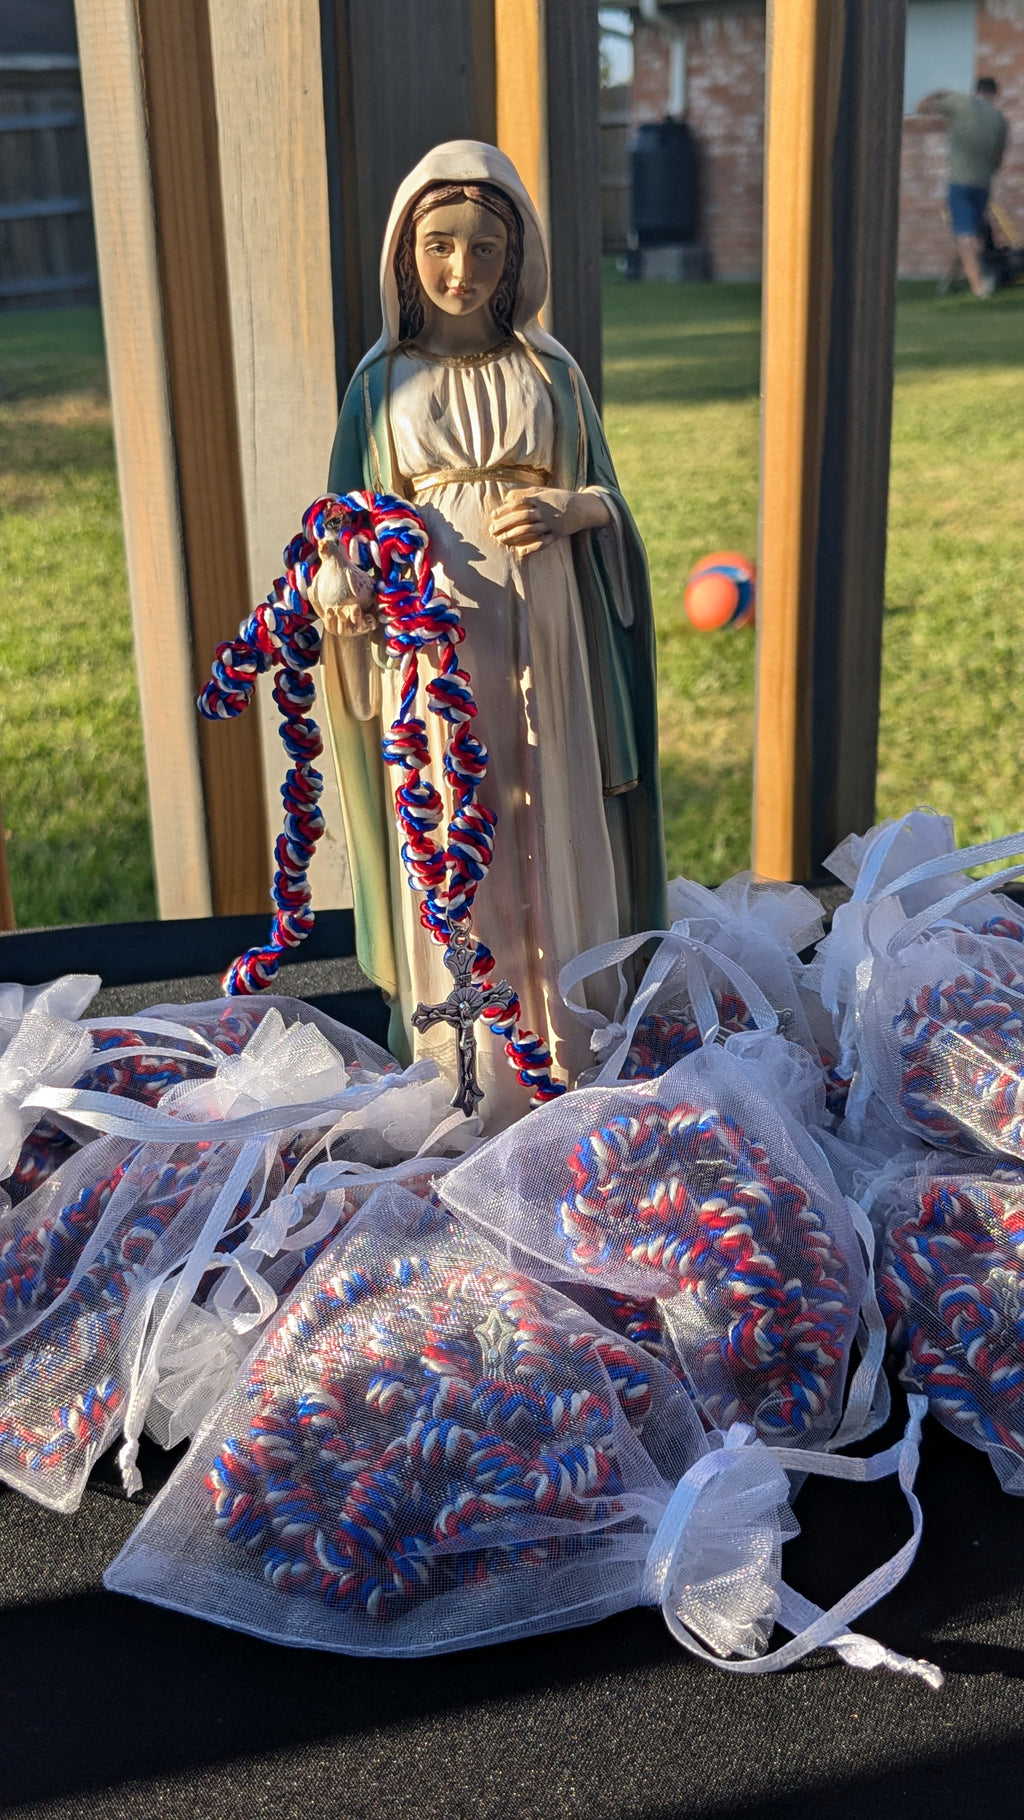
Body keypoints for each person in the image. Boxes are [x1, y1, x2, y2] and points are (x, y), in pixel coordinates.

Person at [314, 140, 666, 1130]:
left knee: (544, 805)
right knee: (457, 814)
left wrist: (569, 508)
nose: (460, 269)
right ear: (405, 254)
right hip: (434, 643)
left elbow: (609, 500)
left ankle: (565, 1029)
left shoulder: (549, 370)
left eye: (483, 247)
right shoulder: (379, 382)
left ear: (518, 259)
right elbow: (345, 516)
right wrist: (345, 568)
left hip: (544, 635)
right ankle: (461, 1047)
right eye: (438, 245)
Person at [920, 77, 1009, 297]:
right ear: (995, 95)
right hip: (983, 183)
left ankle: (978, 287)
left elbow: (923, 108)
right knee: (969, 232)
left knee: (963, 234)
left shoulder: (961, 102)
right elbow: (997, 160)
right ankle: (949, 281)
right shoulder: (1000, 119)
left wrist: (939, 92)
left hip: (959, 181)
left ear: (975, 90)